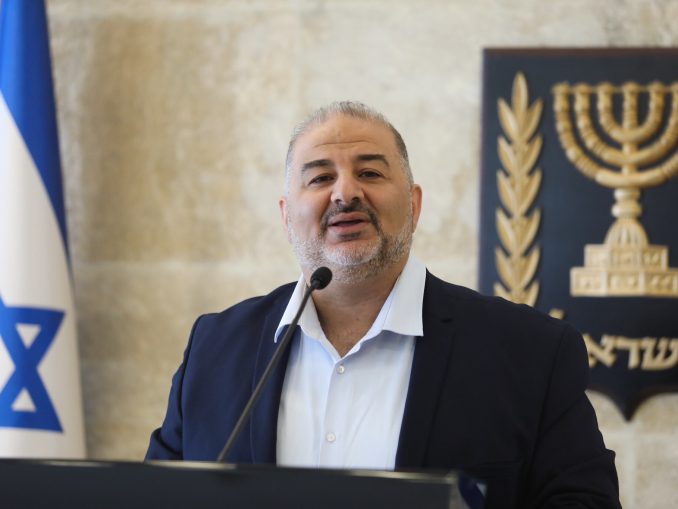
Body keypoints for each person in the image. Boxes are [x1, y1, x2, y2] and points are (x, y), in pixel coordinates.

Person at [146, 101, 621, 508]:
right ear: (287, 216)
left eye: (370, 173)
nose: (346, 193)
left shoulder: (530, 351)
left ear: (414, 205)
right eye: (320, 177)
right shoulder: (214, 347)